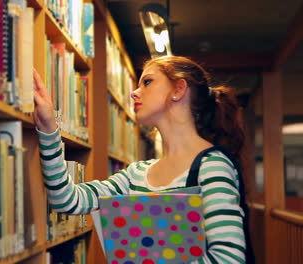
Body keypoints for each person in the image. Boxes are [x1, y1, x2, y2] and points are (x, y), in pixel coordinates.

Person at [33, 55, 253, 263]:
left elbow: (229, 258)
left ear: (179, 89)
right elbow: (67, 200)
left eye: (147, 82)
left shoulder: (212, 165)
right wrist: (49, 130)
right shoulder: (137, 173)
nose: (134, 93)